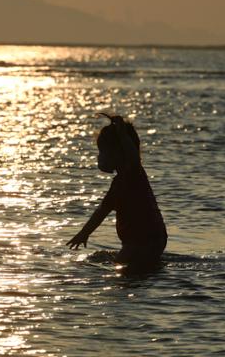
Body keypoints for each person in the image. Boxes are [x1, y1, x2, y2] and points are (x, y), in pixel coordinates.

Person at [66, 114, 167, 268]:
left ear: (117, 154)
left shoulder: (132, 174)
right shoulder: (119, 184)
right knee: (141, 268)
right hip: (150, 239)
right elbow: (101, 212)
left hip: (141, 240)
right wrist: (84, 233)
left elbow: (132, 156)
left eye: (102, 152)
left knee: (122, 271)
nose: (99, 158)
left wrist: (122, 135)